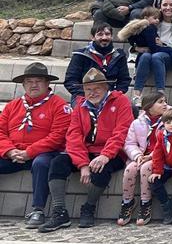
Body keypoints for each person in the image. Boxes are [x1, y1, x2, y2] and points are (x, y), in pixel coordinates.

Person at [40, 67, 134, 233]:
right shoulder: (80, 106)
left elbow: (122, 131)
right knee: (58, 162)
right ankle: (59, 211)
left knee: (101, 170)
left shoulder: (121, 101)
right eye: (88, 89)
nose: (93, 92)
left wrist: (106, 155)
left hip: (112, 152)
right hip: (86, 151)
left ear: (106, 87)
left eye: (97, 88)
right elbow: (73, 136)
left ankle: (88, 207)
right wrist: (82, 164)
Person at [0, 61, 70, 229]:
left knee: (42, 163)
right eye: (29, 81)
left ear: (47, 83)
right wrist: (9, 151)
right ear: (23, 85)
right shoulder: (12, 106)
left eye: (38, 81)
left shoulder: (59, 105)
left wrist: (30, 152)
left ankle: (38, 210)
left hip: (42, 153)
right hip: (14, 153)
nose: (34, 85)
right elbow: (0, 132)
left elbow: (57, 136)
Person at [122, 0, 172, 100]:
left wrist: (164, 44)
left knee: (157, 56)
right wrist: (136, 48)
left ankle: (160, 94)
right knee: (145, 56)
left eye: (171, 5)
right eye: (165, 5)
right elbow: (135, 35)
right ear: (160, 7)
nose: (168, 8)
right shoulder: (154, 20)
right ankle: (137, 95)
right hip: (152, 52)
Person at [64, 20, 131, 101]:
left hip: (111, 97)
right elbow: (70, 81)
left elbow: (124, 80)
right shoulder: (80, 55)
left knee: (132, 108)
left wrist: (115, 94)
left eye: (107, 34)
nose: (104, 37)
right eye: (100, 34)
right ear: (92, 37)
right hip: (84, 96)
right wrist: (86, 95)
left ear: (112, 36)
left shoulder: (119, 56)